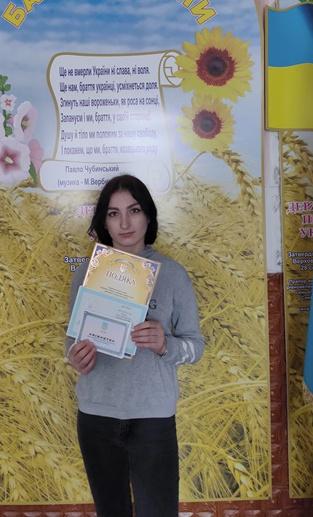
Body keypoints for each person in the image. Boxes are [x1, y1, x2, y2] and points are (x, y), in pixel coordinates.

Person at [66, 174, 204, 517]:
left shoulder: (173, 275)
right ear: (104, 221)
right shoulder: (86, 273)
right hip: (96, 417)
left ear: (148, 216)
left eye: (134, 210)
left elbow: (195, 346)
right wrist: (76, 357)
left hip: (152, 419)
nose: (125, 223)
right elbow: (72, 339)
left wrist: (164, 345)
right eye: (113, 213)